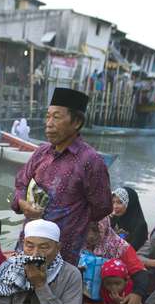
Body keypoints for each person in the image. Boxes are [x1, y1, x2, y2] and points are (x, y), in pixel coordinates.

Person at [11, 87, 112, 265]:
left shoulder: (90, 161)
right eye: (48, 116)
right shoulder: (41, 153)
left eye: (56, 117)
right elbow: (21, 184)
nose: (48, 123)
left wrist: (72, 218)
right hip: (27, 244)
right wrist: (22, 203)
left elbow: (102, 207)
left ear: (77, 122)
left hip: (63, 253)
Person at [110, 186, 149, 251]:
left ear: (130, 203)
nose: (115, 206)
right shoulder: (115, 217)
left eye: (120, 202)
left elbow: (132, 250)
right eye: (113, 202)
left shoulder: (140, 225)